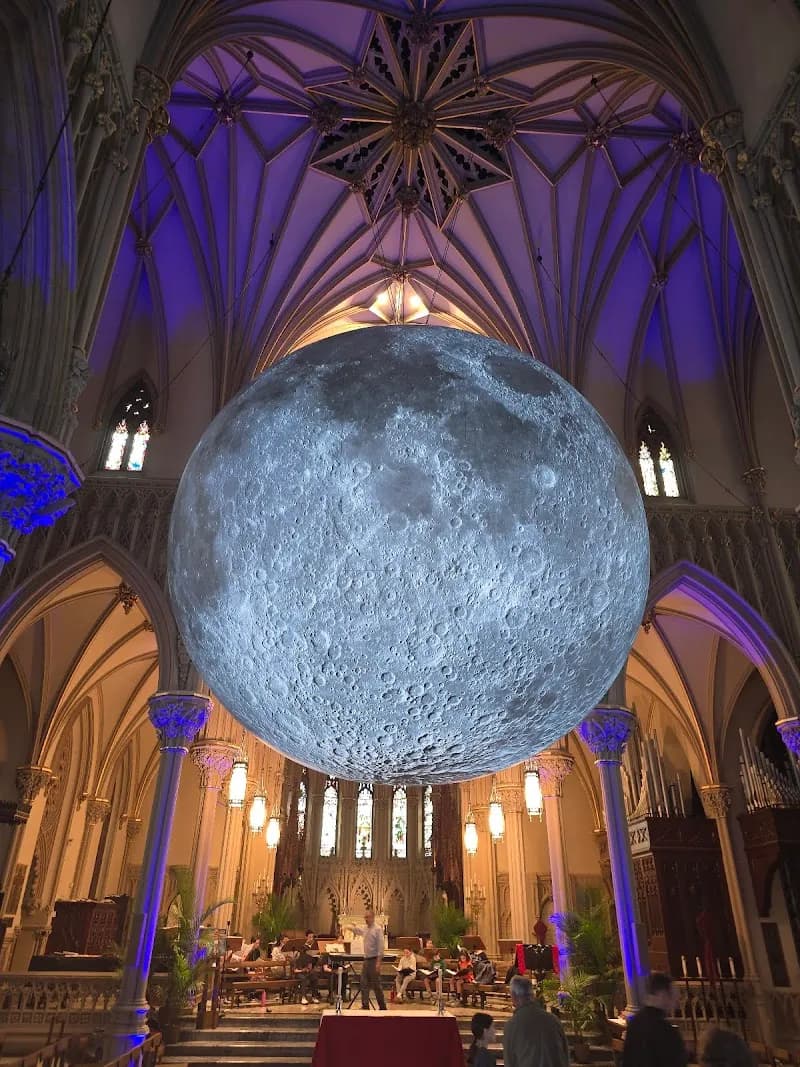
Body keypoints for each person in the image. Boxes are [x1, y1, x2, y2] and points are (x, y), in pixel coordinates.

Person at [622, 973, 687, 1067]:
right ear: (662, 994)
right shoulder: (666, 1030)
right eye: (674, 996)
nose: (676, 1004)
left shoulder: (634, 1023)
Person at [503, 975, 569, 1067]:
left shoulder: (511, 1026)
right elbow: (565, 1055)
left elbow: (510, 1062)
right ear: (532, 995)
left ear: (513, 996)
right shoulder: (553, 1020)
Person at [349, 908, 387, 1010]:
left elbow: (381, 947)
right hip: (366, 960)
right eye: (365, 917)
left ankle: (382, 1007)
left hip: (374, 960)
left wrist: (378, 963)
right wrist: (350, 927)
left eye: (368, 917)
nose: (366, 919)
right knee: (363, 983)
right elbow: (357, 930)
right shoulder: (365, 928)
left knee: (376, 985)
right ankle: (365, 1006)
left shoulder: (378, 929)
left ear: (373, 917)